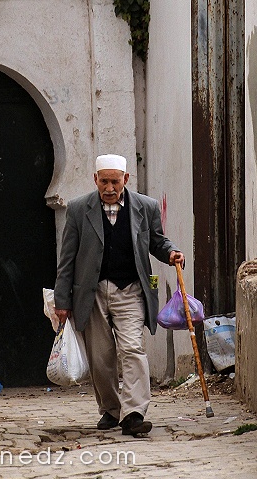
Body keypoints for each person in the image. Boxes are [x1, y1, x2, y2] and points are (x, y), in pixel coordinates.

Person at [54, 154, 184, 437]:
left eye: (115, 181)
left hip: (131, 291)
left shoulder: (145, 207)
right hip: (93, 293)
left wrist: (171, 251)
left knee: (132, 349)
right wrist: (62, 301)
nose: (109, 187)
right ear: (95, 180)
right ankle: (111, 410)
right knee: (101, 357)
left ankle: (134, 413)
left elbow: (157, 241)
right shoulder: (78, 209)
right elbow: (67, 259)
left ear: (126, 180)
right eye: (104, 181)